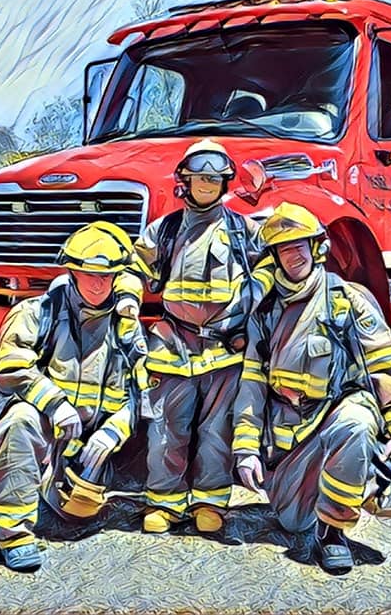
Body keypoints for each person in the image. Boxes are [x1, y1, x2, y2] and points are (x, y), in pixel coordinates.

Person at [231, 203, 391, 574]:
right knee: (293, 521)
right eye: (285, 248)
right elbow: (252, 384)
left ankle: (333, 533)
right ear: (273, 258)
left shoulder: (348, 300)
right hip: (291, 441)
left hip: (337, 413)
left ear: (317, 247)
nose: (295, 254)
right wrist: (246, 450)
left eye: (302, 244)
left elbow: (386, 368)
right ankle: (366, 480)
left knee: (356, 423)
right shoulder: (265, 313)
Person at [127, 139, 271, 534]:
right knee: (166, 427)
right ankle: (164, 503)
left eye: (214, 179)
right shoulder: (165, 229)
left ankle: (210, 503)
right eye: (198, 178)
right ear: (183, 182)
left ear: (225, 183)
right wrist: (126, 299)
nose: (205, 185)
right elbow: (135, 267)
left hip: (225, 349)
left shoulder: (245, 231)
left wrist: (250, 296)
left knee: (216, 430)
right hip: (173, 344)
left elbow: (275, 266)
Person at [0, 221, 146, 572]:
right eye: (88, 274)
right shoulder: (37, 312)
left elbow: (141, 393)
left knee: (78, 512)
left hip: (89, 432)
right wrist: (55, 405)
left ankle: (51, 480)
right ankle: (14, 536)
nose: (97, 284)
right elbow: (11, 370)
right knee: (19, 423)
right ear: (72, 271)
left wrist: (114, 430)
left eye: (106, 276)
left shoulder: (126, 329)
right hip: (46, 418)